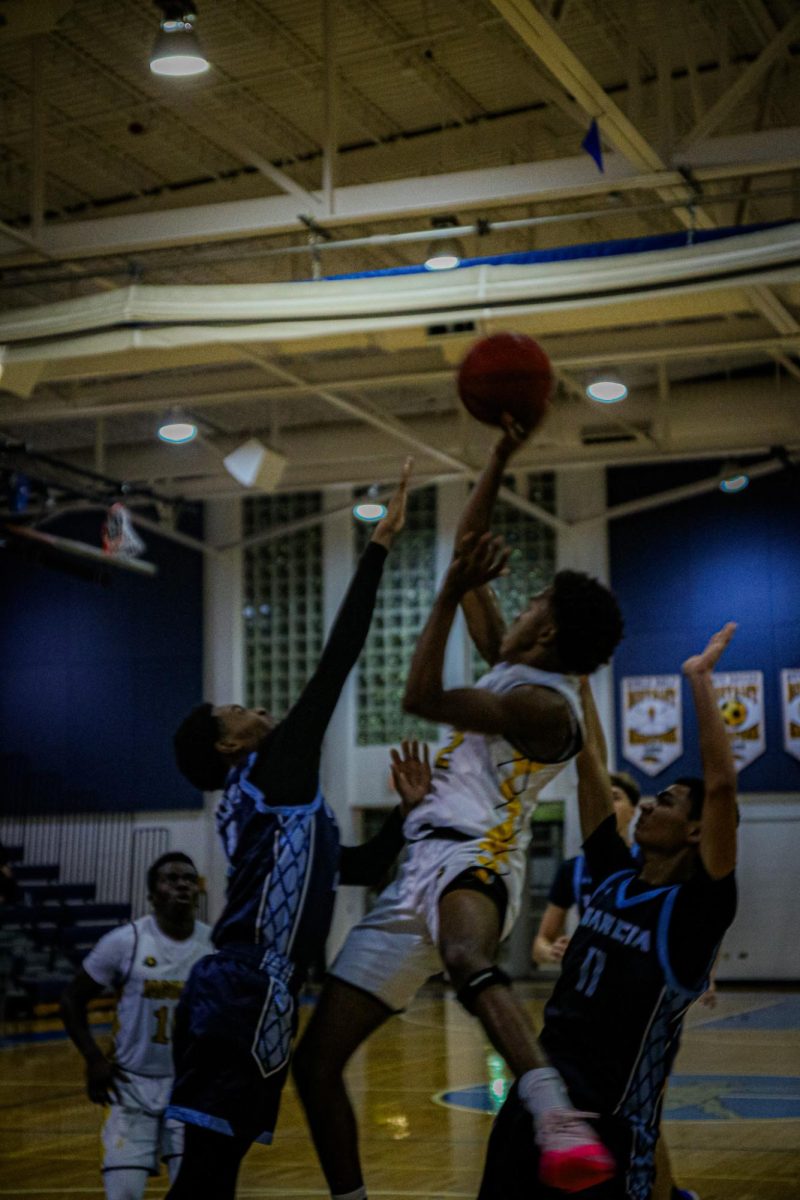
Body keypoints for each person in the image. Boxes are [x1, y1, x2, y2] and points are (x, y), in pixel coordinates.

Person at [293, 420, 625, 1199]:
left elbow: (421, 697)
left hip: (477, 860)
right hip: (421, 870)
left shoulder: (547, 708)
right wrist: (501, 455)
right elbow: (469, 545)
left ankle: (555, 1117)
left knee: (472, 959)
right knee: (315, 1067)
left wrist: (448, 592)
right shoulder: (512, 666)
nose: (519, 599)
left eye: (534, 597)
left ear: (546, 627)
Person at [164, 463, 417, 1200]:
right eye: (235, 710)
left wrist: (406, 815)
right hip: (246, 986)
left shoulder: (276, 799)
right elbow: (337, 663)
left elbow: (361, 869)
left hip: (253, 989)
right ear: (229, 745)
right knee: (209, 1173)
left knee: (217, 1169)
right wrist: (380, 546)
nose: (251, 708)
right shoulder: (276, 768)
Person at [475, 623, 739, 1200]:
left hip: (608, 1131)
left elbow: (721, 788)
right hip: (538, 1105)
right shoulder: (611, 875)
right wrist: (581, 683)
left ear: (696, 832)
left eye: (666, 801)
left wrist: (698, 680)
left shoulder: (693, 913)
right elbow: (588, 760)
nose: (648, 802)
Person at [60, 853, 212, 1200]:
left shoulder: (212, 945)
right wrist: (94, 1059)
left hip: (188, 1087)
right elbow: (71, 1000)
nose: (182, 885)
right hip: (130, 1084)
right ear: (152, 894)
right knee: (123, 1194)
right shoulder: (124, 941)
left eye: (189, 878)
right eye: (170, 879)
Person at [533, 772, 640, 967]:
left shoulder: (650, 861)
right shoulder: (573, 868)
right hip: (593, 976)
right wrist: (553, 951)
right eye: (602, 799)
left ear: (633, 810)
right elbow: (540, 945)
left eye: (615, 797)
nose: (607, 805)